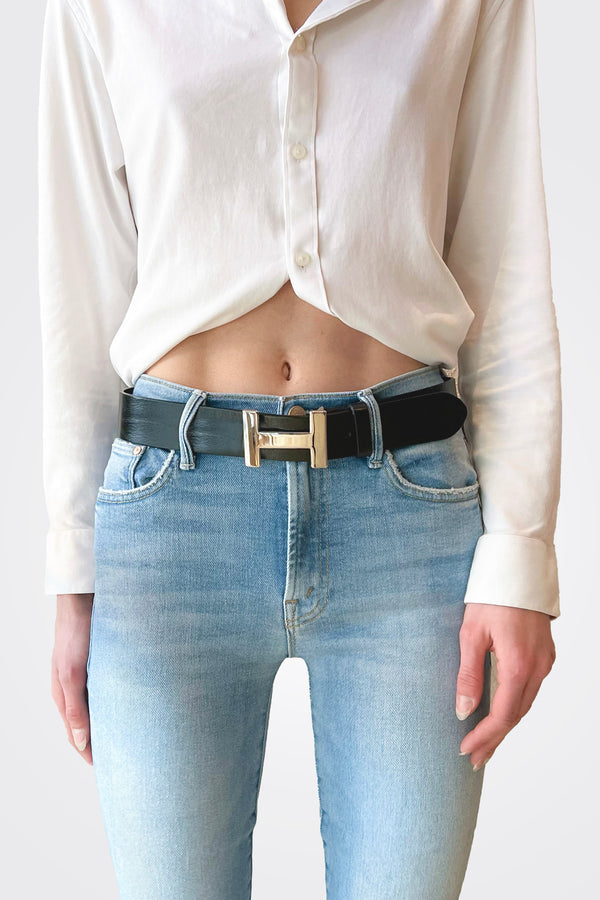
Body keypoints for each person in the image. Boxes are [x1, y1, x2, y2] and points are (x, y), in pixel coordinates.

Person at [38, 0, 561, 897]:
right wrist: (75, 567)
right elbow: (78, 283)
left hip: (408, 518)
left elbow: (503, 261)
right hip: (172, 521)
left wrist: (520, 552)